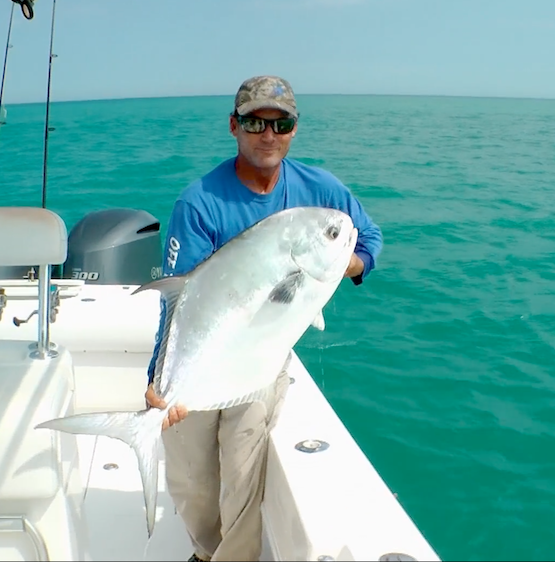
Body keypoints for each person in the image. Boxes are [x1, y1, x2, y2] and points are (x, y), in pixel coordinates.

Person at [144, 75, 384, 562]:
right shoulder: (199, 202)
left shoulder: (321, 191)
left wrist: (344, 263)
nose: (268, 134)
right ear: (234, 126)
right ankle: (206, 550)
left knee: (243, 462)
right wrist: (159, 377)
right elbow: (179, 300)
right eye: (255, 122)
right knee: (190, 480)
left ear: (294, 129)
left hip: (264, 351)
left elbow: (368, 240)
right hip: (206, 344)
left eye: (281, 124)